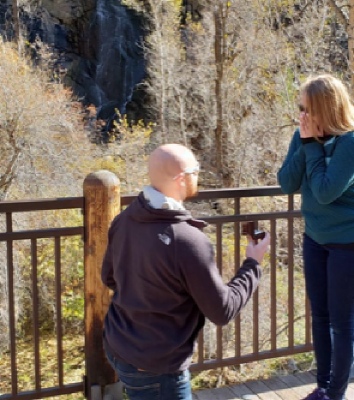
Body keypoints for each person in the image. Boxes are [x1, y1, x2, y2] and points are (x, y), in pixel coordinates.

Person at [101, 143, 270, 400]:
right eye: (195, 170)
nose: (198, 175)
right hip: (157, 366)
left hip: (119, 345)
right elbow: (222, 310)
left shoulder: (125, 219)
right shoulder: (187, 240)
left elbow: (109, 277)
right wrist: (253, 263)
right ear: (181, 179)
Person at [277, 74, 354, 400]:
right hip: (315, 239)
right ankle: (322, 387)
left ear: (325, 107)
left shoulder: (349, 143)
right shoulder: (303, 136)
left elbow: (323, 191)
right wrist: (305, 143)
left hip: (346, 245)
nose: (302, 115)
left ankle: (335, 393)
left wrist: (311, 147)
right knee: (320, 317)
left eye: (306, 108)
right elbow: (286, 182)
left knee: (341, 322)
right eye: (300, 108)